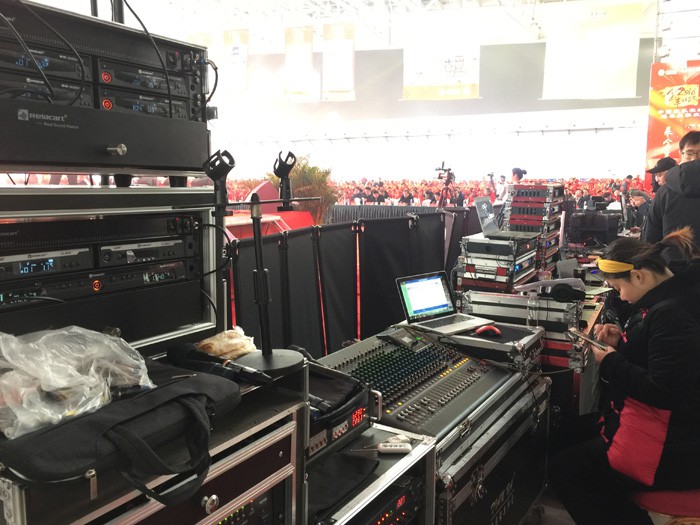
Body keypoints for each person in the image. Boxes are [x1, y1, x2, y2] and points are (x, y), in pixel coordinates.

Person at [549, 227, 700, 525]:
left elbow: (664, 391)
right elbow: (662, 361)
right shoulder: (672, 298)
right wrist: (622, 343)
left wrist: (610, 361)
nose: (621, 297)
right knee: (561, 435)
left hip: (675, 449)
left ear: (639, 276)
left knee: (564, 470)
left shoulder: (671, 314)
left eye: (619, 288)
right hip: (660, 428)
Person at [643, 131, 700, 244]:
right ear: (681, 154)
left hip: (671, 255)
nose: (695, 159)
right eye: (689, 153)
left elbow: (650, 239)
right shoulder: (663, 192)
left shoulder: (664, 192)